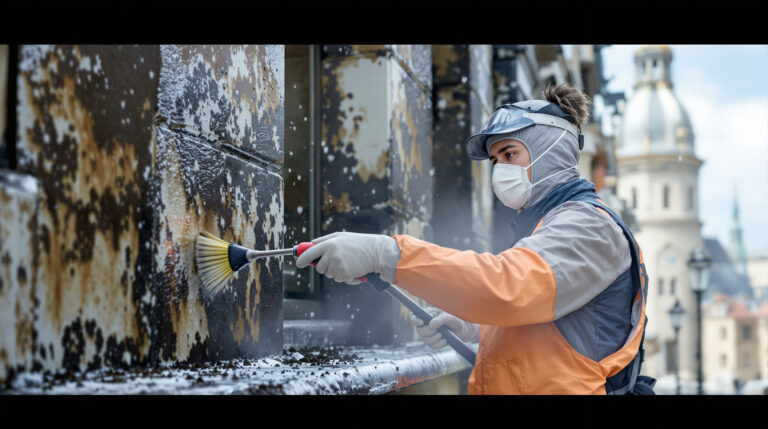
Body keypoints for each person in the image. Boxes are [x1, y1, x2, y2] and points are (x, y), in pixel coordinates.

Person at [296, 84, 655, 395]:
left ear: (553, 153)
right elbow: (540, 317)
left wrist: (386, 253)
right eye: (496, 160)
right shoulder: (545, 226)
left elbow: (507, 287)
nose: (501, 170)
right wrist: (471, 327)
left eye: (510, 154)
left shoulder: (589, 227)